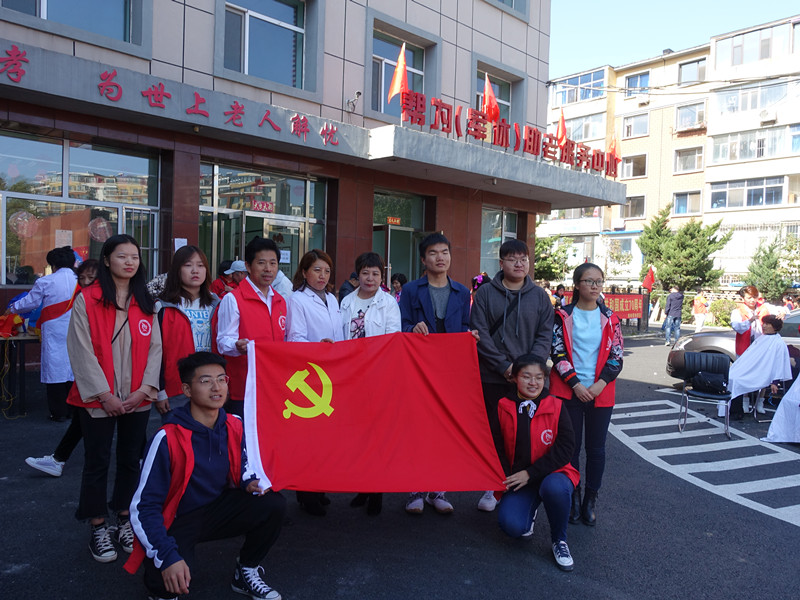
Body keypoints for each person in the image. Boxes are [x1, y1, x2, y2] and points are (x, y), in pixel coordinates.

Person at [125, 352, 286, 600]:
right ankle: (160, 584)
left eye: (222, 379)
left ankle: (246, 570)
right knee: (165, 581)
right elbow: (143, 507)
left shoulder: (234, 424)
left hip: (217, 509)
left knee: (273, 503)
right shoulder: (167, 438)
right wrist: (167, 556)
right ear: (187, 390)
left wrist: (248, 482)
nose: (216, 387)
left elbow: (245, 463)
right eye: (206, 381)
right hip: (179, 518)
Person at [66, 234, 162, 563]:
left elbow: (156, 349)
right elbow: (80, 351)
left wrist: (144, 390)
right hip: (98, 398)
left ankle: (124, 518)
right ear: (107, 260)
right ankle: (97, 525)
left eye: (134, 256)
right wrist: (104, 395)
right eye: (122, 256)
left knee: (130, 460)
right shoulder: (88, 299)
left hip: (137, 397)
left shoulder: (146, 301)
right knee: (97, 462)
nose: (129, 262)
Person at [470, 239, 554, 513]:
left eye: (524, 259)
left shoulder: (540, 296)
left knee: (526, 434)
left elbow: (544, 336)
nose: (519, 264)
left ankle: (524, 486)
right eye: (513, 259)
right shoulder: (485, 294)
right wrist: (505, 367)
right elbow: (480, 335)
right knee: (495, 433)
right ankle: (494, 484)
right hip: (493, 376)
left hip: (529, 381)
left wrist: (527, 371)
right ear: (501, 263)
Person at [399, 232, 474, 515]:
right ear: (423, 259)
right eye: (433, 253)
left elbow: (465, 326)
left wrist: (470, 336)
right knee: (417, 429)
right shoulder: (411, 291)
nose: (440, 257)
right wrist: (412, 329)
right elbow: (401, 325)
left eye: (444, 252)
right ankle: (415, 491)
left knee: (445, 429)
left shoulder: (462, 292)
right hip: (419, 369)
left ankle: (438, 490)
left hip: (450, 371)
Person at [550, 263, 623, 528]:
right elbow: (556, 352)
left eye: (599, 281)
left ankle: (590, 499)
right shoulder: (562, 316)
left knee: (596, 449)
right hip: (568, 391)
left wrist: (600, 384)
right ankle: (573, 494)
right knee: (570, 447)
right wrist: (576, 385)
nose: (595, 286)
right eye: (589, 281)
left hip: (600, 392)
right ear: (577, 285)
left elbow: (617, 355)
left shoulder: (611, 318)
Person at [496, 355, 579, 572]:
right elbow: (496, 446)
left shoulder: (557, 405)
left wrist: (531, 473)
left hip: (553, 474)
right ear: (514, 378)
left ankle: (559, 540)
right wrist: (505, 477)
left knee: (554, 488)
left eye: (539, 377)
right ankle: (529, 510)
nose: (533, 383)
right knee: (512, 526)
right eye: (526, 377)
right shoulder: (503, 406)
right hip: (522, 479)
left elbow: (566, 449)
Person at [341, 252, 402, 516]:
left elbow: (393, 340)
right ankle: (362, 486)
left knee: (377, 435)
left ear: (381, 276)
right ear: (357, 275)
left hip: (377, 377)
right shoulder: (346, 301)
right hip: (351, 377)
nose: (370, 278)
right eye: (365, 273)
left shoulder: (388, 303)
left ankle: (376, 490)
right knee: (357, 436)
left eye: (375, 273)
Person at [24, 259, 98, 477]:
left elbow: (30, 302)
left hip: (104, 373)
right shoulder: (82, 295)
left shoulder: (48, 282)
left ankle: (60, 455)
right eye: (82, 278)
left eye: (91, 278)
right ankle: (59, 459)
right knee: (83, 415)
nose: (86, 282)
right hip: (90, 368)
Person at [285, 249, 343, 516]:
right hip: (309, 375)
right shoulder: (297, 300)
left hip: (333, 373)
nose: (322, 276)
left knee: (326, 438)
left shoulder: (332, 298)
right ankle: (306, 493)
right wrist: (318, 346)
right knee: (308, 438)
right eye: (317, 270)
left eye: (327, 271)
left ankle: (319, 488)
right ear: (304, 272)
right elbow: (294, 337)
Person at [215, 238, 287, 418]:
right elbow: (223, 342)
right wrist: (237, 346)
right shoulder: (233, 299)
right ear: (248, 266)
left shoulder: (280, 301)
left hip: (274, 385)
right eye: (261, 263)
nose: (268, 269)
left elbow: (287, 342)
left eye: (273, 263)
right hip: (243, 387)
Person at [8, 246, 77, 422]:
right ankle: (73, 410)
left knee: (55, 369)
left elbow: (30, 303)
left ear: (53, 265)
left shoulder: (46, 281)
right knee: (74, 367)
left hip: (54, 329)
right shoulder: (81, 280)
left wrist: (13, 308)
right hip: (78, 328)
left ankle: (58, 412)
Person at [155, 245, 220, 421]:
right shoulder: (163, 307)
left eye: (200, 265)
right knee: (177, 435)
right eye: (188, 265)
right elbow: (154, 353)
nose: (195, 271)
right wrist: (160, 390)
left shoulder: (217, 304)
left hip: (212, 386)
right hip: (176, 389)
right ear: (177, 270)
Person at [730, 285, 786, 417]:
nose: (752, 300)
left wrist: (783, 312)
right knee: (744, 374)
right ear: (743, 298)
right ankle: (744, 400)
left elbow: (784, 310)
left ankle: (760, 401)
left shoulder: (764, 307)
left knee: (763, 372)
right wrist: (749, 321)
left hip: (763, 348)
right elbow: (737, 327)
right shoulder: (738, 311)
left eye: (754, 297)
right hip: (745, 347)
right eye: (749, 297)